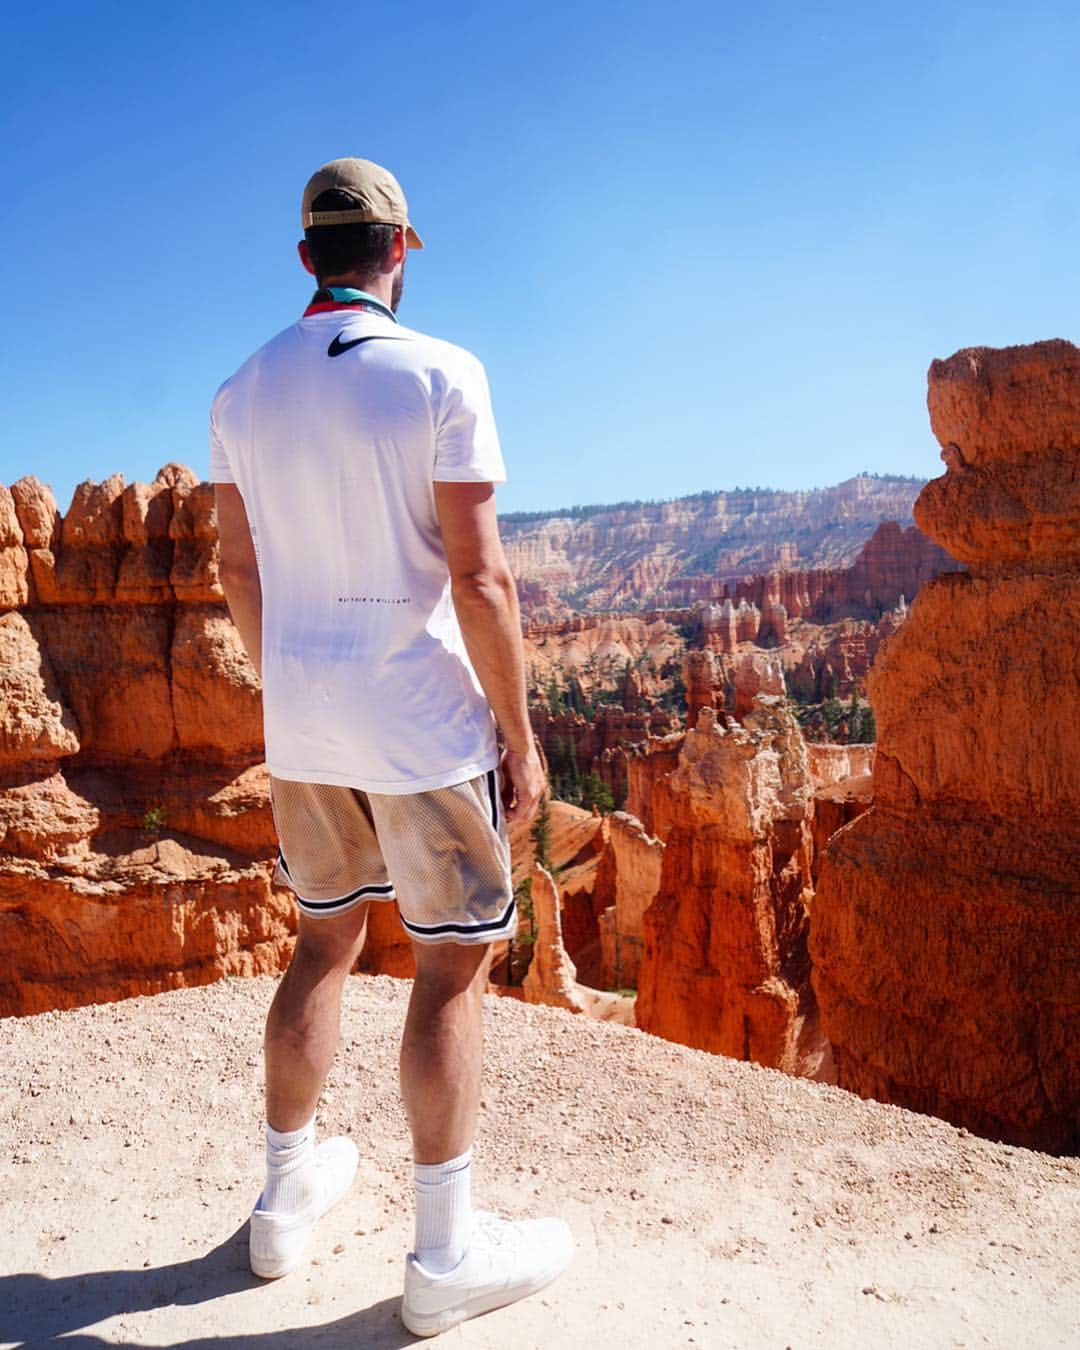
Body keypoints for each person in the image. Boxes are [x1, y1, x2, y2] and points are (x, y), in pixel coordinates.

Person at [209, 156, 573, 1336]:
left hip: (303, 715)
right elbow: (479, 575)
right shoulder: (441, 374)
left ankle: (281, 1200)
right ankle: (446, 1254)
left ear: (305, 255)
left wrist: (289, 687)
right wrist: (519, 734)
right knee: (450, 963)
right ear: (402, 248)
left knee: (323, 942)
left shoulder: (240, 390)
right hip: (419, 719)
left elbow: (237, 568)